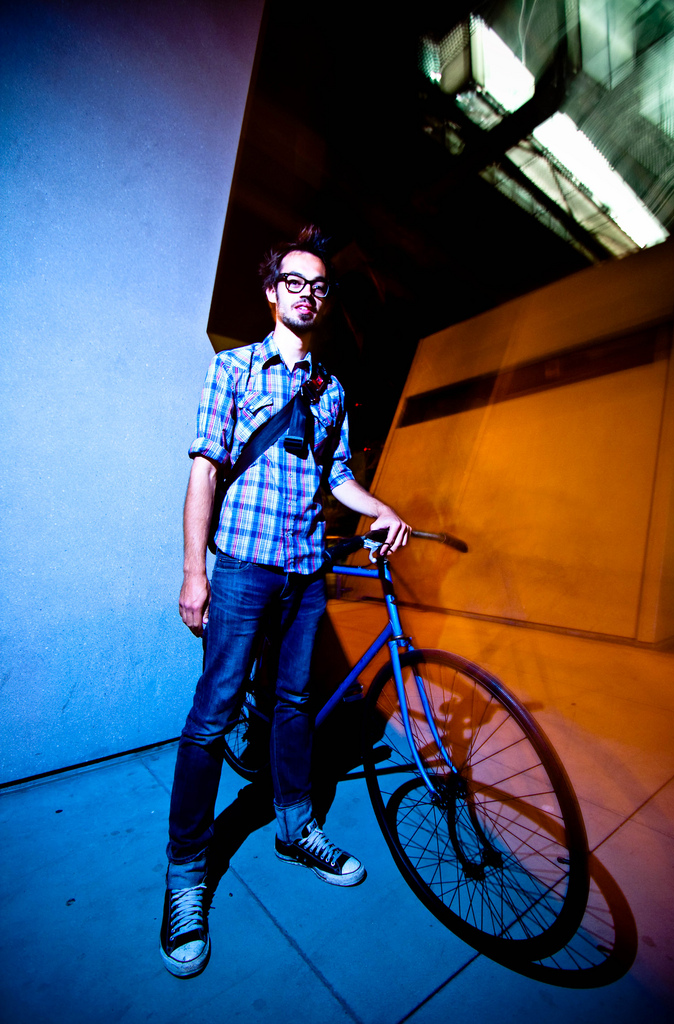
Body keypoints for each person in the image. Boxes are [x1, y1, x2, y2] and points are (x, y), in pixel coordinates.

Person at [160, 226, 410, 977]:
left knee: (295, 702)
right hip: (239, 570)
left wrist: (380, 508)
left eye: (319, 286)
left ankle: (295, 827)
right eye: (294, 282)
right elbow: (204, 472)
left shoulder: (331, 389)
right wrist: (192, 573)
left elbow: (337, 477)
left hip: (304, 573)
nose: (307, 294)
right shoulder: (233, 369)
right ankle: (184, 874)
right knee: (211, 720)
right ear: (272, 293)